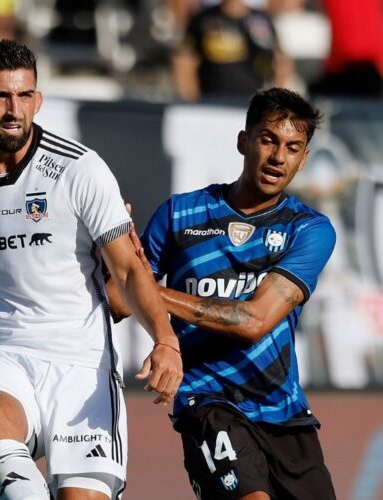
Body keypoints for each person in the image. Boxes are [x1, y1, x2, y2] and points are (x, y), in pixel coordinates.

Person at [0, 39, 183, 500]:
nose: (13, 109)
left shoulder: (79, 169)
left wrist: (164, 340)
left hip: (83, 364)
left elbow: (126, 268)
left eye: (24, 96)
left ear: (38, 100)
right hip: (4, 350)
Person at [127, 87, 337, 499]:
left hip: (283, 410)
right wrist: (111, 249)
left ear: (304, 159)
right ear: (244, 141)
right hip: (207, 401)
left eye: (293, 148)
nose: (279, 157)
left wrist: (150, 289)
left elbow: (254, 322)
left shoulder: (309, 230)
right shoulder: (178, 215)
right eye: (268, 140)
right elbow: (120, 298)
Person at [172, 0, 293, 101]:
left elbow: (282, 64)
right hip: (211, 102)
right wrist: (193, 103)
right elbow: (184, 64)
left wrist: (272, 103)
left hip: (251, 105)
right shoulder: (203, 19)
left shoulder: (261, 20)